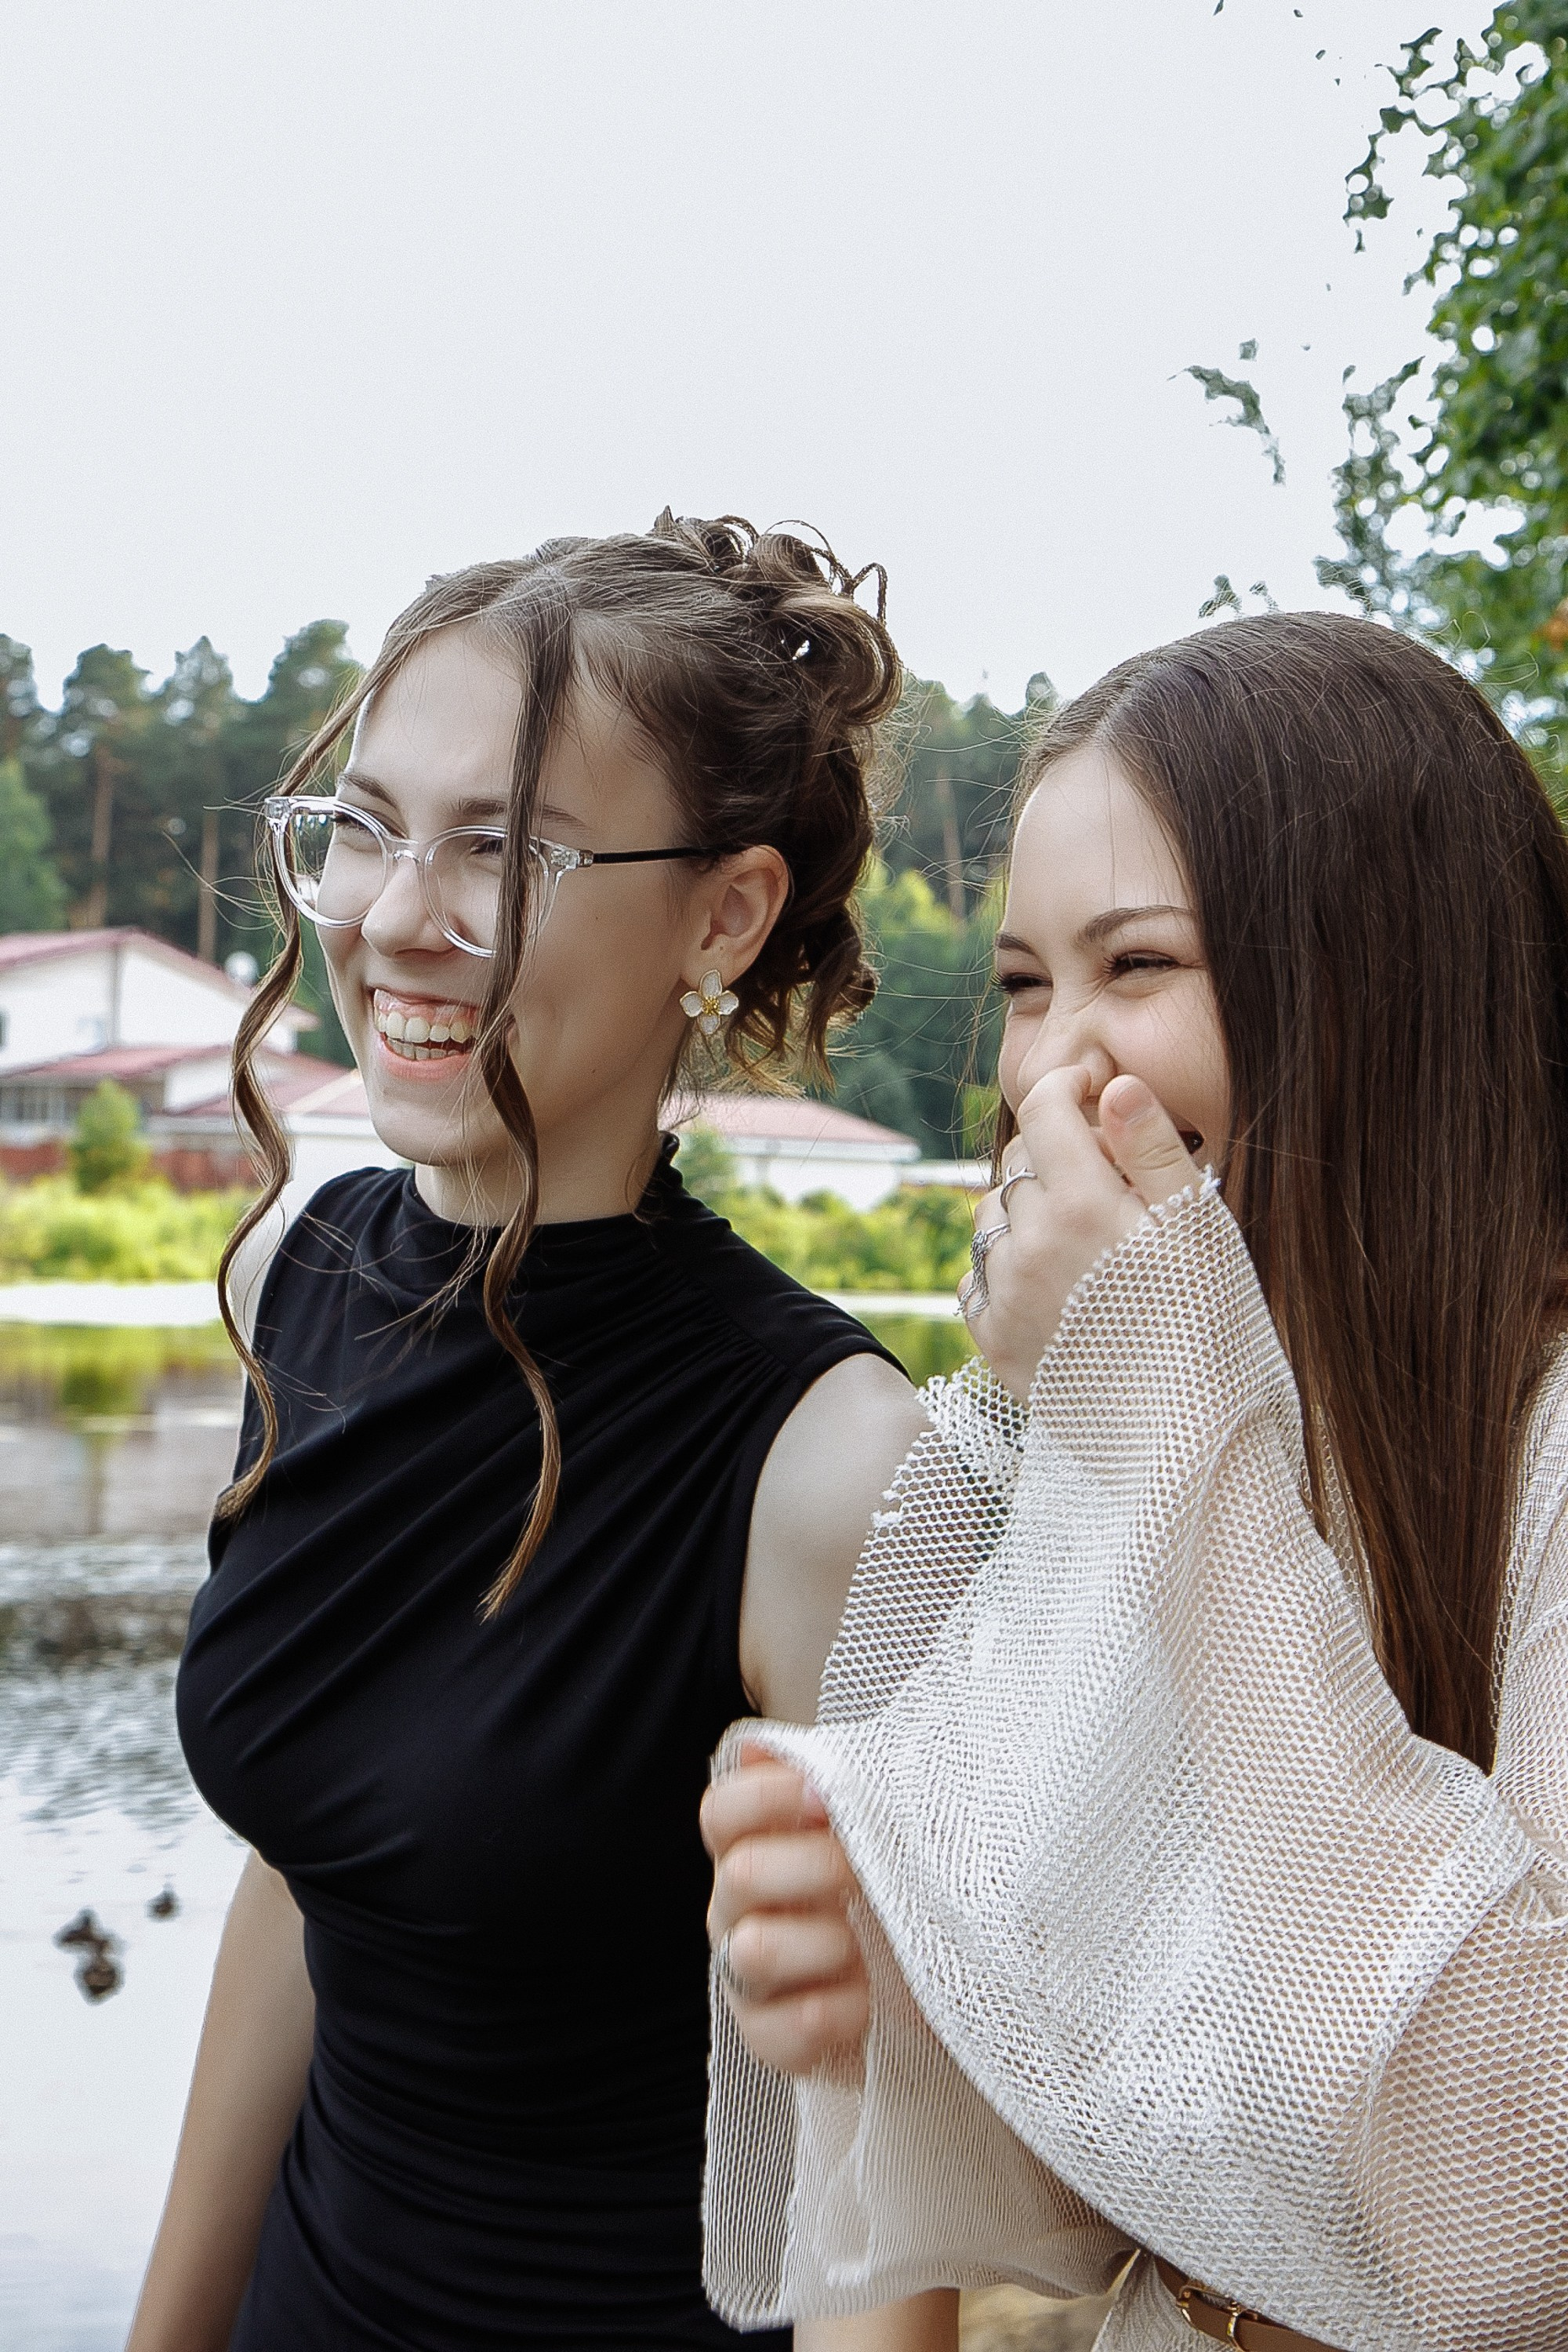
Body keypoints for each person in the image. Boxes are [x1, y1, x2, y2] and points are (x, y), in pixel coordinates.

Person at [126, 515, 951, 2352]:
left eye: (499, 849)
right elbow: (313, 1888)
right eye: (364, 825)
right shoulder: (298, 1275)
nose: (389, 915)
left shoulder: (830, 1471)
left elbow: (871, 2166)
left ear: (723, 916)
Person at [701, 612, 1568, 2352]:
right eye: (1025, 986)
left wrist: (1164, 1398)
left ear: (1380, 984)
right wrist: (895, 1985)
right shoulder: (1138, 1455)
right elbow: (1139, 2192)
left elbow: (1510, 2224)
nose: (1046, 1075)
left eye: (1139, 966)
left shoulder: (1511, 1444)